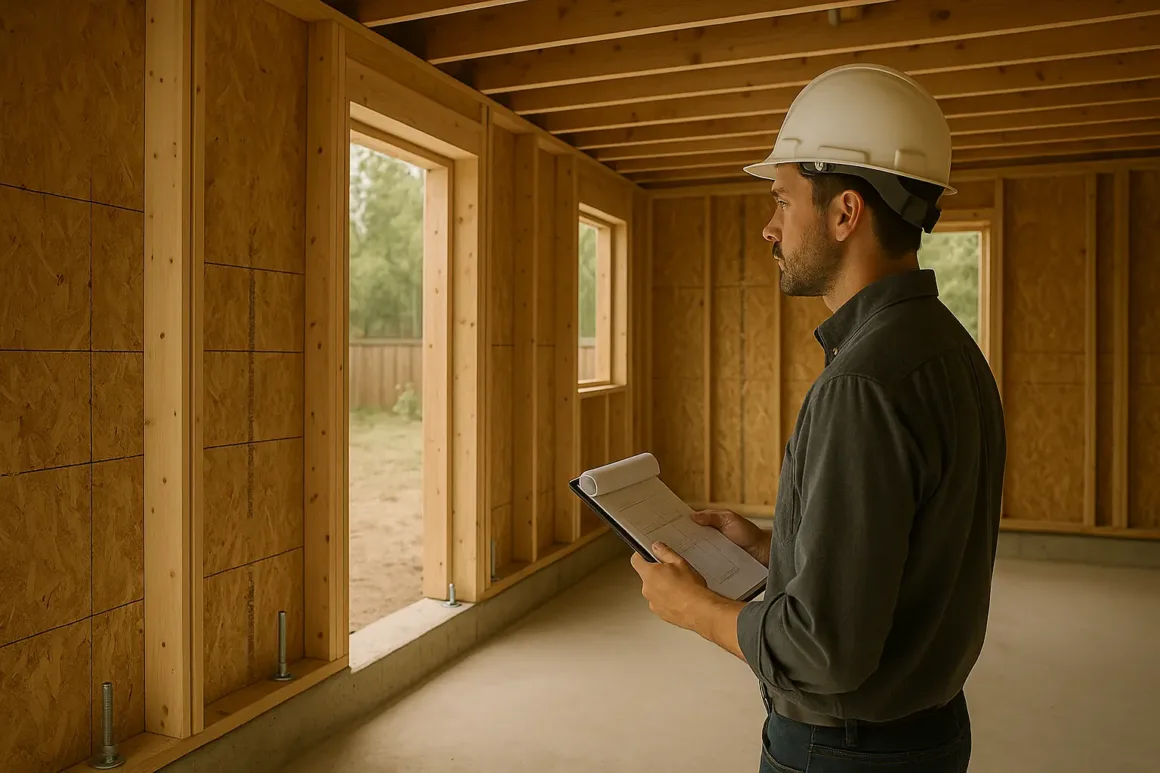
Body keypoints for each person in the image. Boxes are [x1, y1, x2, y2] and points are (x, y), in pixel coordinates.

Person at [629, 63, 1007, 773]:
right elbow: (903, 559)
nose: (769, 228)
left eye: (782, 199)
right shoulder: (948, 348)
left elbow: (821, 651)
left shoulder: (862, 382)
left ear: (844, 213)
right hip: (926, 736)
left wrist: (695, 608)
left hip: (844, 752)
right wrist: (775, 549)